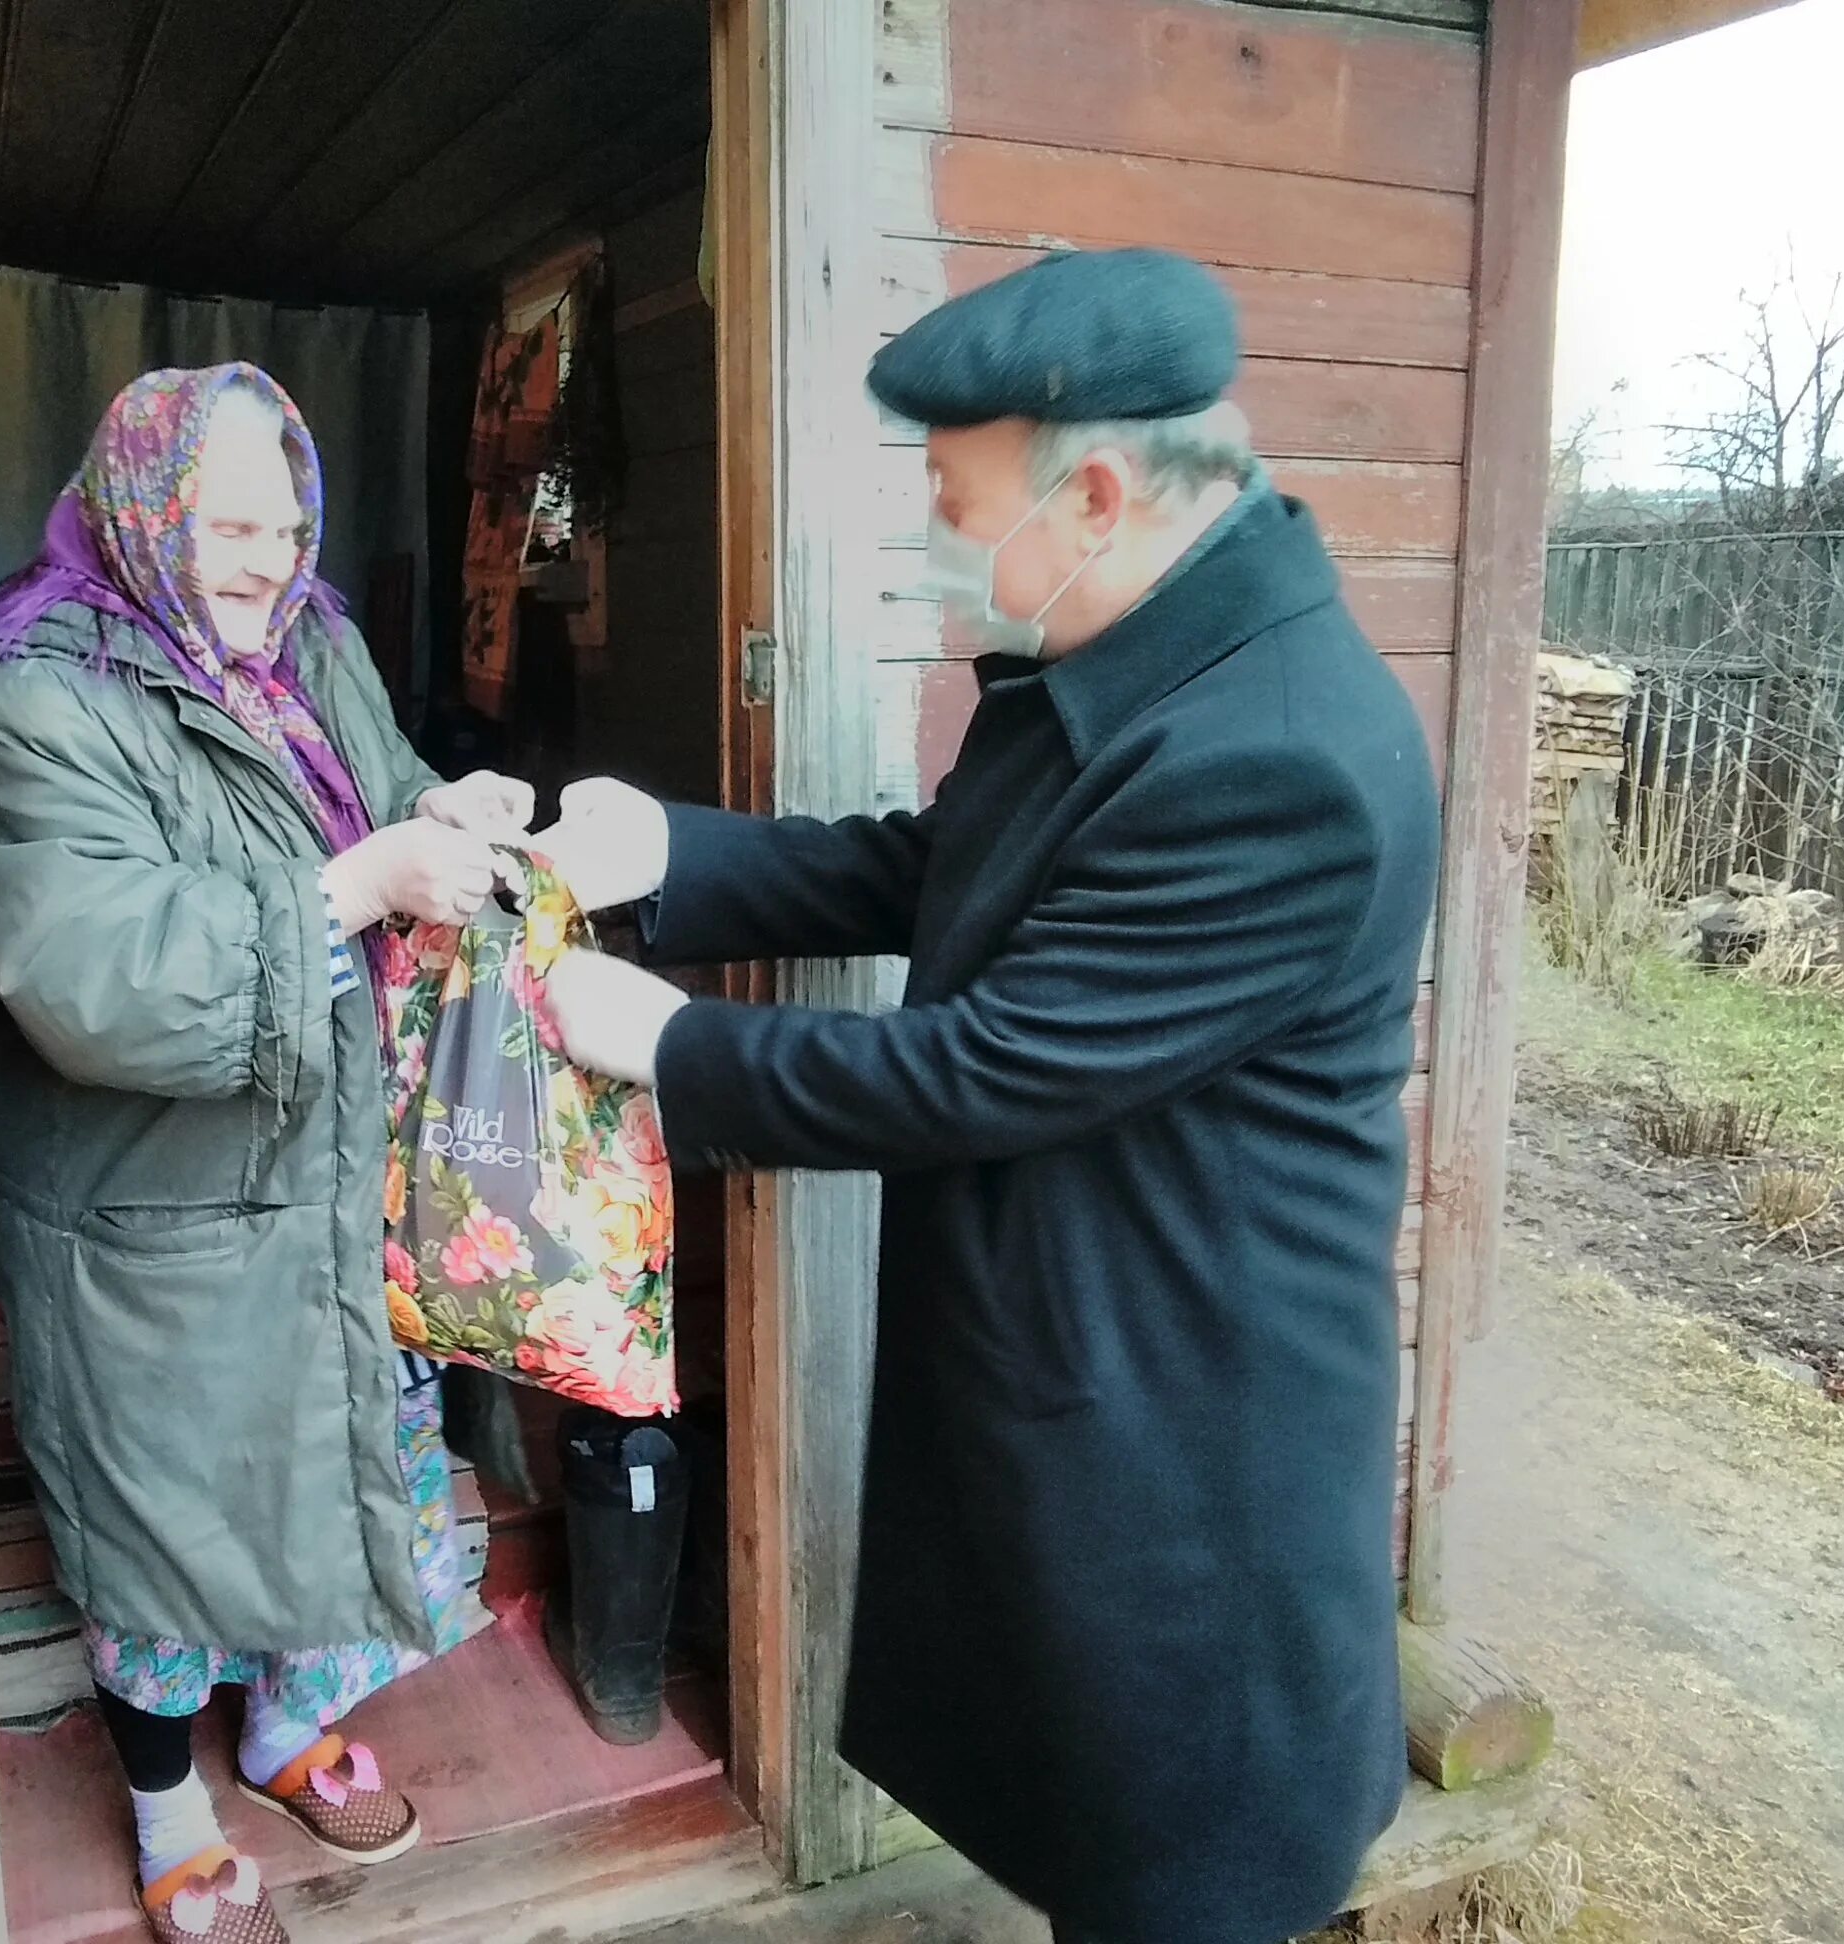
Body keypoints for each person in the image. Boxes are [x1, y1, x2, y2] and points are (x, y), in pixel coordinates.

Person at [535, 249, 1442, 1944]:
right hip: (1083, 1359)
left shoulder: (1280, 758)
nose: (939, 544)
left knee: (1177, 1867)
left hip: (1188, 1440)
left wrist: (660, 1043)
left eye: (955, 502)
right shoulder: (1138, 655)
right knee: (1092, 1845)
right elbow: (939, 871)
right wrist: (667, 855)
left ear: (1096, 494)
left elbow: (984, 1067)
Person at [0, 365, 531, 1944]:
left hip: (329, 1174)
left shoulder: (308, 647)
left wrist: (445, 809)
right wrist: (357, 888)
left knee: (332, 1453)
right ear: (143, 509)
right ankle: (164, 1807)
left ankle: (280, 1732)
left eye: (285, 520)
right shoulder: (44, 701)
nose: (267, 559)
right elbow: (93, 972)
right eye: (227, 524)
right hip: (154, 1209)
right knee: (165, 1517)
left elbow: (379, 793)